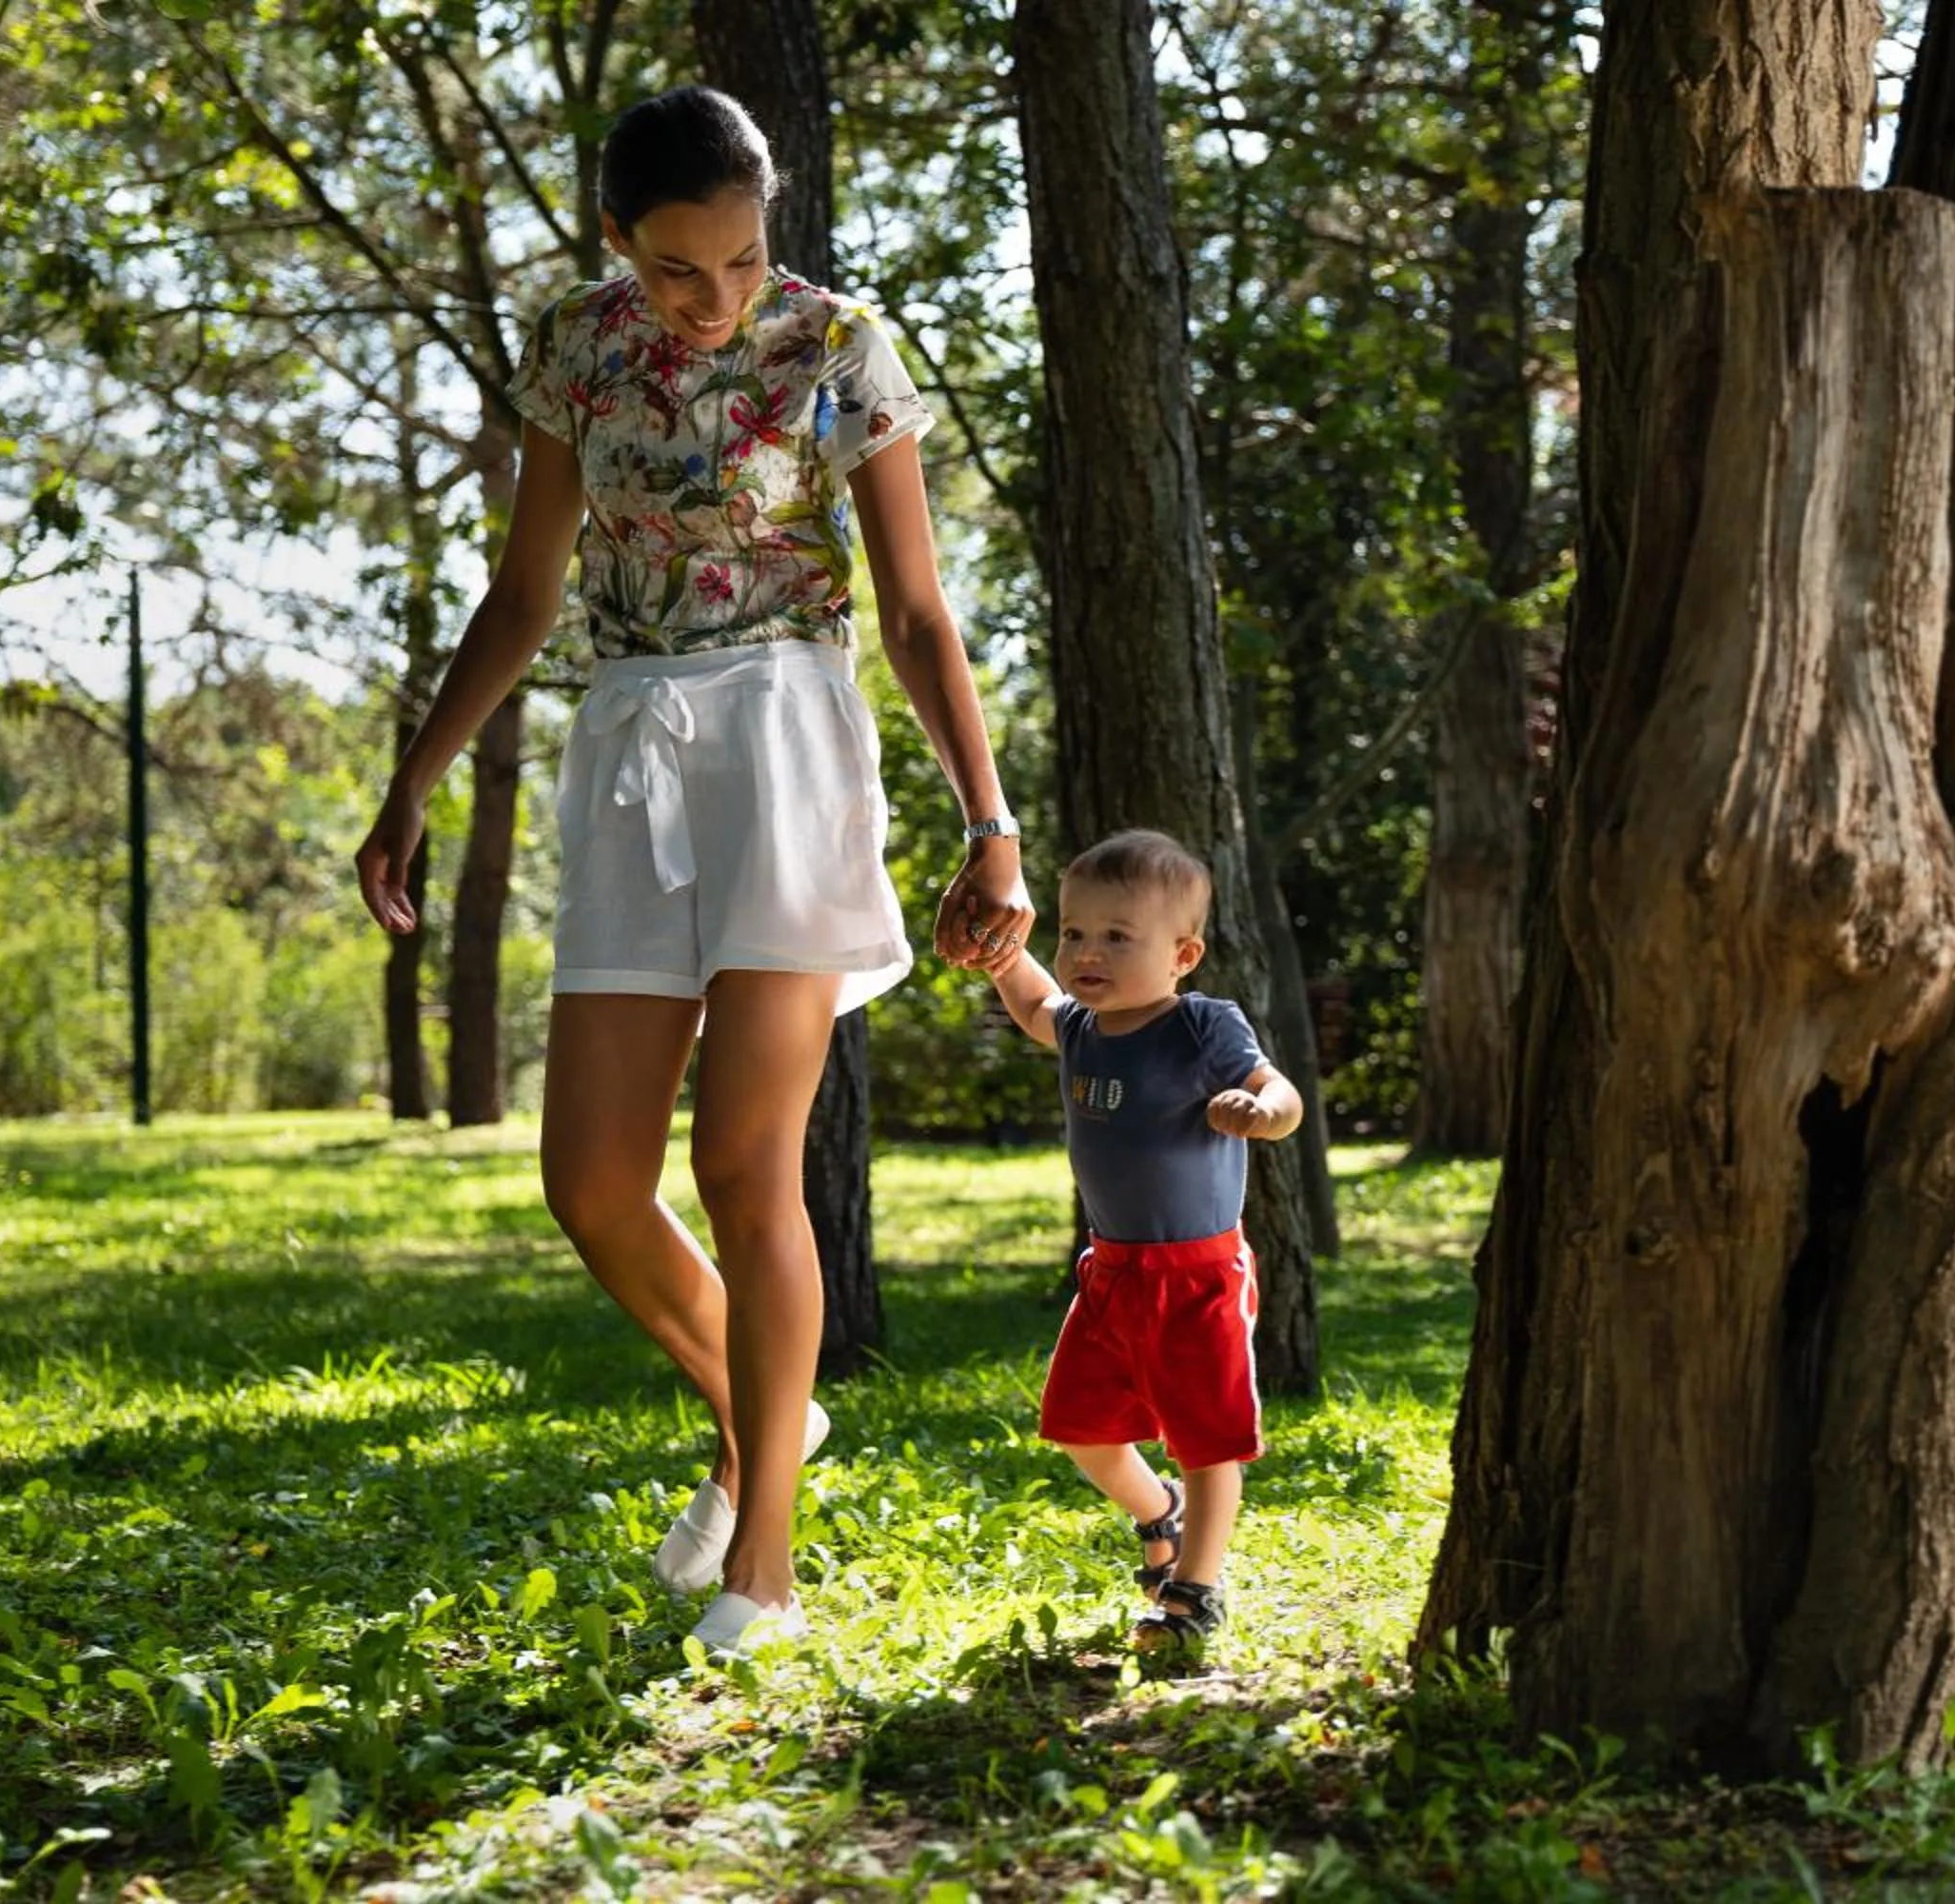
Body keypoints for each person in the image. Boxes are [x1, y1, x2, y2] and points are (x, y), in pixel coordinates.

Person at [354, 85, 1030, 1659]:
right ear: (617, 243)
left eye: (736, 261)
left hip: (790, 737)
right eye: (676, 270)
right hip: (629, 745)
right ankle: (764, 1425)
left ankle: (765, 1572)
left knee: (744, 1164)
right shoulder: (576, 350)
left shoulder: (841, 345)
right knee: (589, 1180)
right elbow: (523, 595)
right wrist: (416, 775)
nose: (712, 300)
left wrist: (989, 822)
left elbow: (921, 616)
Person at [986, 829, 1304, 1654]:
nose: (1087, 953)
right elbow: (1030, 1005)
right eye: (1074, 933)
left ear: (1183, 953)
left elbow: (1280, 1090)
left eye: (1117, 936)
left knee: (1210, 1438)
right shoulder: (1085, 1028)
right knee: (1085, 1430)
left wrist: (1263, 1113)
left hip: (1196, 1275)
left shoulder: (1201, 1027)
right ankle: (1157, 1512)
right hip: (1112, 1273)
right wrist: (1001, 956)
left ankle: (1194, 1591)